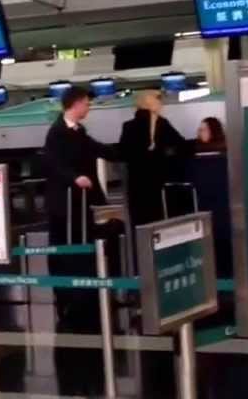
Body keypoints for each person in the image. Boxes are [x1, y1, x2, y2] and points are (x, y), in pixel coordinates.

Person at [40, 86, 117, 329]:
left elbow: (98, 149)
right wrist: (74, 178)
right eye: (86, 103)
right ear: (75, 104)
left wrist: (126, 151)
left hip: (83, 203)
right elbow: (53, 164)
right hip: (66, 207)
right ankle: (68, 297)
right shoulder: (56, 133)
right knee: (65, 249)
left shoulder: (79, 131)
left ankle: (87, 293)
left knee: (87, 244)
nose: (89, 107)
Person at [116, 89, 186, 227]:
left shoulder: (128, 126)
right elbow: (182, 147)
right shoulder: (162, 124)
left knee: (140, 225)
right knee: (159, 225)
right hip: (158, 185)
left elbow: (122, 153)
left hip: (136, 185)